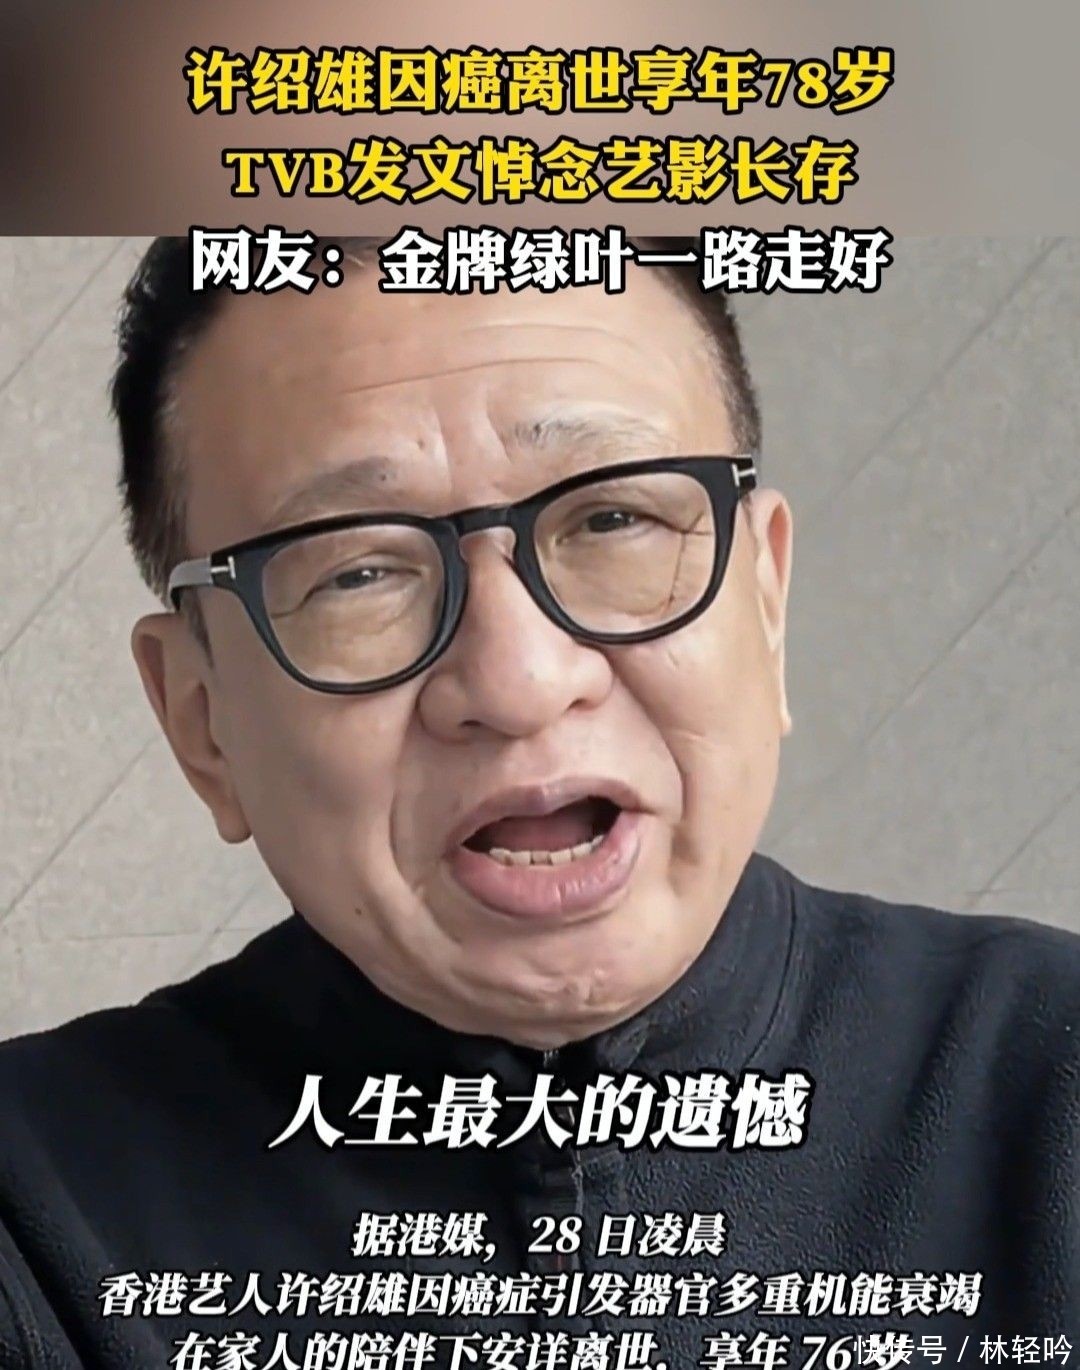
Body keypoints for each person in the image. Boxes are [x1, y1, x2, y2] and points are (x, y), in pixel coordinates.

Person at [0, 236, 1076, 1368]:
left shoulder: (1048, 1091)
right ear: (202, 720)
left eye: (612, 521)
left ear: (765, 600)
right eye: (358, 572)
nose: (518, 680)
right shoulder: (39, 1212)